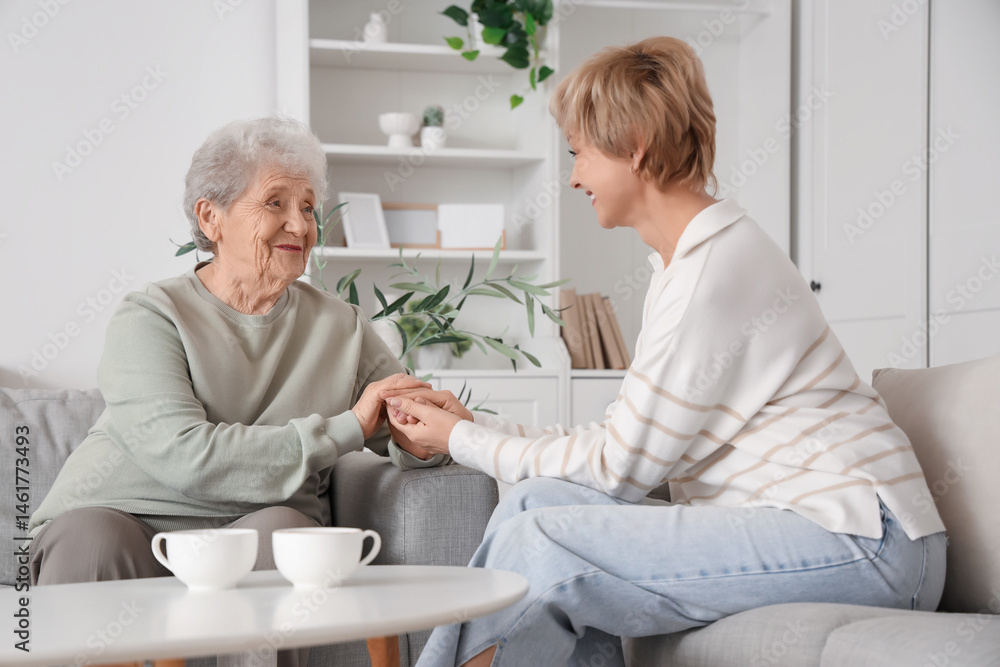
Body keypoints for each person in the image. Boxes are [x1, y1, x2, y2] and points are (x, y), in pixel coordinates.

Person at [382, 37, 948, 667]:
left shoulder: (710, 274)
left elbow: (621, 470)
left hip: (866, 539)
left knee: (544, 539)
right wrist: (475, 426)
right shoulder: (688, 265)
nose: (573, 177)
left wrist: (460, 440)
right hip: (832, 529)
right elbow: (621, 441)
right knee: (533, 503)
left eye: (579, 152)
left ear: (636, 145)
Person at [27, 116, 443, 667]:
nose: (299, 224)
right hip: (128, 517)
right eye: (275, 203)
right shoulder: (151, 316)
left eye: (308, 207)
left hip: (259, 521)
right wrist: (347, 428)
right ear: (211, 217)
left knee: (285, 536)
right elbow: (185, 455)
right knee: (88, 538)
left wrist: (430, 436)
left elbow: (402, 424)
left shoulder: (340, 326)